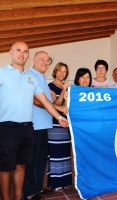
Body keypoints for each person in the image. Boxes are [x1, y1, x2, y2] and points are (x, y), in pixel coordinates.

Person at [0, 41, 68, 200]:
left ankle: (21, 196)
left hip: (27, 127)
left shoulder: (30, 78)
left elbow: (45, 101)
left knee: (22, 166)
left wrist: (59, 117)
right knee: (6, 168)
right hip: (6, 127)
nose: (22, 54)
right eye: (18, 50)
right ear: (10, 52)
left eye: (25, 51)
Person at [23, 51, 67, 200]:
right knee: (32, 161)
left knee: (41, 159)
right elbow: (36, 101)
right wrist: (59, 110)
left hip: (44, 126)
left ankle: (37, 188)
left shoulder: (41, 77)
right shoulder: (29, 75)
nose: (45, 62)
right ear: (33, 60)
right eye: (42, 59)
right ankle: (29, 192)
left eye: (47, 60)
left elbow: (47, 102)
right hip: (33, 126)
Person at [47, 62, 72, 191]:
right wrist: (63, 91)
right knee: (56, 154)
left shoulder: (68, 87)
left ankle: (66, 181)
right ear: (55, 71)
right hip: (55, 124)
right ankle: (56, 183)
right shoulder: (50, 86)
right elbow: (54, 104)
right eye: (60, 71)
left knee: (65, 153)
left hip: (66, 125)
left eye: (64, 71)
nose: (62, 73)